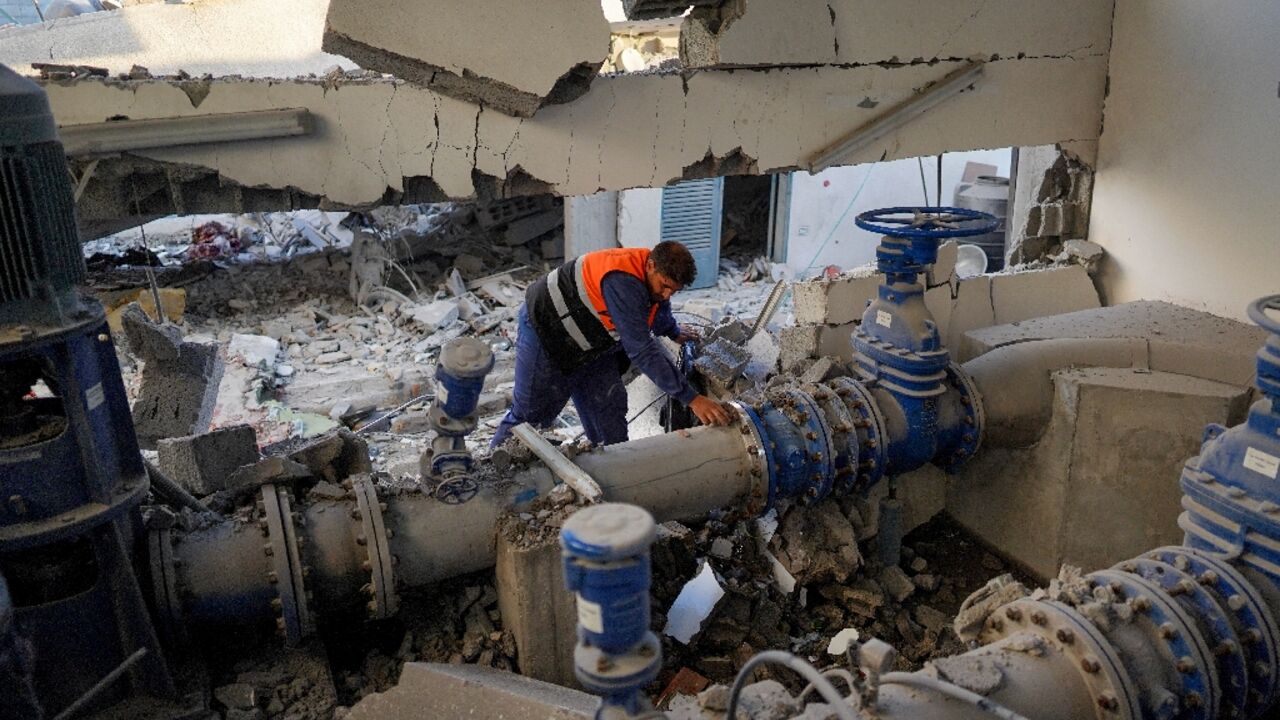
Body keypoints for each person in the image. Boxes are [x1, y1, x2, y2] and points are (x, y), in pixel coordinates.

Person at [490, 241, 733, 447]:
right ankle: (497, 479)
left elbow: (657, 306)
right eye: (665, 286)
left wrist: (671, 330)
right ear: (650, 266)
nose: (668, 294)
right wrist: (692, 399)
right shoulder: (623, 281)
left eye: (675, 290)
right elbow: (641, 350)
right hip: (546, 330)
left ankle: (612, 481)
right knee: (530, 419)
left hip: (591, 343)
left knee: (609, 414)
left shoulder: (653, 280)